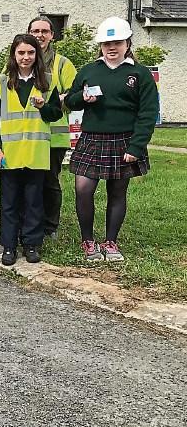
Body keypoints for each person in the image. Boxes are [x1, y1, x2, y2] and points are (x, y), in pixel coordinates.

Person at [64, 17, 158, 262]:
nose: (112, 47)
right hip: (91, 139)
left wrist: (136, 146)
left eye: (117, 42)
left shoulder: (140, 73)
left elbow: (148, 114)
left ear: (128, 43)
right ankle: (88, 241)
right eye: (107, 43)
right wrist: (82, 98)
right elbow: (71, 100)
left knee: (117, 192)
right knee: (83, 189)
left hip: (124, 141)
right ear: (101, 45)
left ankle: (110, 242)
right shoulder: (89, 70)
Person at [0, 34, 63, 266]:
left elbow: (55, 114)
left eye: (30, 52)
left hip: (36, 152)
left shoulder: (48, 81)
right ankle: (9, 246)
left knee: (34, 202)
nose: (26, 57)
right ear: (13, 55)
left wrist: (44, 107)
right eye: (21, 52)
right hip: (9, 153)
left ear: (37, 55)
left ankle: (32, 244)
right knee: (9, 203)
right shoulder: (0, 83)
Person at [27, 16, 77, 238]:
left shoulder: (62, 64)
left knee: (49, 182)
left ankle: (50, 226)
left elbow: (74, 95)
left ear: (52, 35)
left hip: (53, 136)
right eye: (35, 31)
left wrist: (54, 102)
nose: (40, 35)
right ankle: (29, 222)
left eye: (44, 31)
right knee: (28, 181)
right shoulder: (20, 59)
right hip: (26, 135)